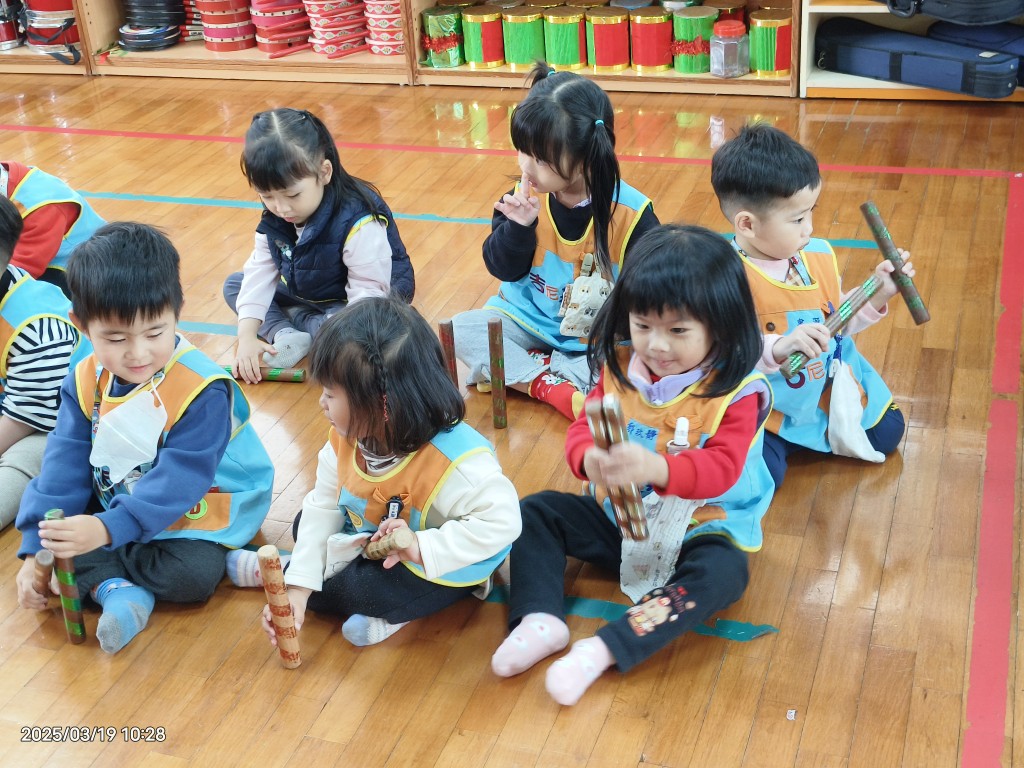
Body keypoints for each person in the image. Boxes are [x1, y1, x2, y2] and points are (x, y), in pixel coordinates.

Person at [490, 225, 774, 706]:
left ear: (721, 325)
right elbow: (585, 425)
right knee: (536, 512)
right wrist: (588, 459)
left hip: (700, 528)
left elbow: (723, 469)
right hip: (620, 516)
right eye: (643, 326)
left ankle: (605, 648)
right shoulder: (621, 364)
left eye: (678, 331)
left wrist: (657, 469)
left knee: (723, 575)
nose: (656, 345)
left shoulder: (738, 392)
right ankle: (539, 618)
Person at [15, 222, 275, 654]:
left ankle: (214, 561)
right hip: (124, 496)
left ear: (177, 311)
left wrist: (105, 529)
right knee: (63, 544)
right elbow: (62, 465)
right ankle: (121, 591)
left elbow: (180, 480)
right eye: (115, 338)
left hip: (198, 502)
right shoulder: (83, 377)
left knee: (189, 576)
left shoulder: (201, 388)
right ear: (81, 325)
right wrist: (34, 552)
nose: (138, 353)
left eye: (155, 333)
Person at [228, 295, 521, 649]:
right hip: (373, 537)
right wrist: (299, 591)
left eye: (331, 394)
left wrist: (419, 546)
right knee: (305, 522)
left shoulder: (457, 464)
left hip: (437, 558)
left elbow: (504, 523)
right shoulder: (345, 438)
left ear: (381, 404)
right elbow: (324, 506)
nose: (321, 402)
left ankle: (291, 574)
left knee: (364, 589)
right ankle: (299, 575)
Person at [452, 63, 659, 421]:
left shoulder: (633, 214)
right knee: (462, 329)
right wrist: (518, 229)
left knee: (634, 365)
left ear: (587, 159)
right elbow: (502, 268)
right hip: (526, 319)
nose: (525, 167)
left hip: (593, 341)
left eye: (540, 159)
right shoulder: (522, 199)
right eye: (522, 151)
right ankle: (550, 385)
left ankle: (528, 371)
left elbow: (652, 297)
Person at [711, 123, 912, 488]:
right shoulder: (723, 274)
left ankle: (813, 434)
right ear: (747, 224)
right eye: (797, 219)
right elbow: (724, 351)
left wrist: (878, 291)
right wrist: (777, 348)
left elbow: (837, 319)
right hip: (768, 408)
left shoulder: (816, 254)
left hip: (823, 392)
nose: (809, 228)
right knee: (759, 476)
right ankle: (783, 440)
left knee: (889, 432)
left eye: (810, 213)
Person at [223, 108, 415, 383]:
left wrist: (348, 335)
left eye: (292, 195)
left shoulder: (359, 219)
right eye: (266, 196)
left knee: (366, 330)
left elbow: (369, 296)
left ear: (324, 172)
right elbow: (259, 274)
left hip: (358, 301)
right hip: (311, 293)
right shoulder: (277, 217)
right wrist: (246, 337)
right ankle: (288, 334)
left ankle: (305, 326)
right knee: (236, 284)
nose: (281, 208)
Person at [0, 195, 92, 529]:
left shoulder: (35, 328)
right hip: (14, 404)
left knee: (26, 463)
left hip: (56, 423)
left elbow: (26, 417)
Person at [1, 159, 106, 296]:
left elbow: (16, 272)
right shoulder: (6, 178)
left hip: (87, 271)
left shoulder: (41, 208)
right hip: (48, 257)